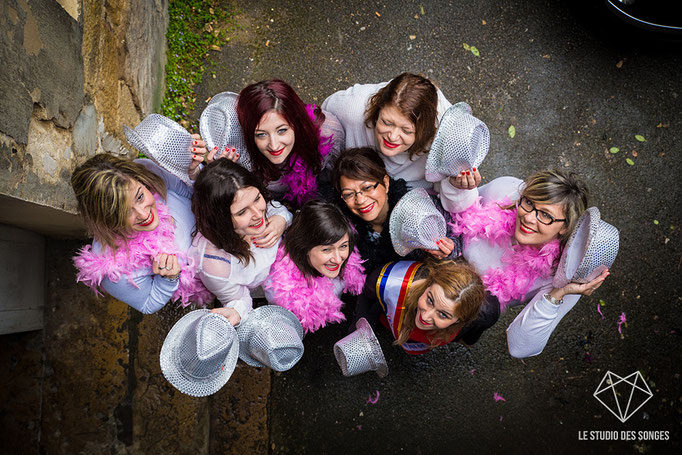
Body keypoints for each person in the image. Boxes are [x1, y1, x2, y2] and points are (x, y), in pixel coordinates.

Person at [441, 168, 610, 358]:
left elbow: (519, 347)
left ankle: (461, 335)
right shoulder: (504, 189)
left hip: (473, 310)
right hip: (443, 262)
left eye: (546, 215)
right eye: (529, 202)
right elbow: (455, 211)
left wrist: (559, 293)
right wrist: (456, 188)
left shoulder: (562, 276)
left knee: (486, 311)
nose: (528, 218)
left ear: (564, 226)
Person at [71, 153, 211, 314]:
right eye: (124, 212)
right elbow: (147, 304)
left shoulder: (150, 173)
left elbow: (191, 190)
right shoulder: (113, 267)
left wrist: (196, 172)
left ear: (141, 180)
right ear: (106, 220)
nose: (144, 215)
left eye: (140, 197)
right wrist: (169, 279)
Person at [198, 79, 343, 208]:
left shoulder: (329, 132)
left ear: (296, 123)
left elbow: (341, 178)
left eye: (282, 130)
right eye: (261, 134)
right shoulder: (243, 156)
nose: (274, 146)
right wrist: (222, 174)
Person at [189, 159, 292, 327]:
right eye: (242, 212)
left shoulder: (256, 205)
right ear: (221, 220)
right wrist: (236, 311)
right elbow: (238, 298)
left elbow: (277, 208)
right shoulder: (213, 263)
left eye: (257, 199)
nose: (258, 215)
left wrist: (282, 219)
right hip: (268, 295)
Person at [332, 147, 460, 275]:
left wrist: (446, 251)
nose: (360, 200)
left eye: (367, 188)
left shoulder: (419, 209)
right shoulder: (342, 227)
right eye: (349, 194)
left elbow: (457, 243)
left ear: (385, 183)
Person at [322, 73, 452, 188]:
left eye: (406, 131)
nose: (393, 137)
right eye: (386, 122)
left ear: (424, 132)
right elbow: (324, 113)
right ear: (377, 110)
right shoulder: (352, 107)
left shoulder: (447, 137)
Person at [263, 200, 366, 333]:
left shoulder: (346, 266)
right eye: (327, 250)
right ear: (305, 248)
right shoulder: (278, 289)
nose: (338, 258)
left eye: (343, 246)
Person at [352, 259, 493, 354]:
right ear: (429, 283)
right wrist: (359, 333)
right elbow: (366, 299)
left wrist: (469, 340)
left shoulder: (483, 316)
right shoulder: (385, 282)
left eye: (443, 314)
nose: (425, 317)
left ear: (461, 320)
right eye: (430, 300)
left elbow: (468, 339)